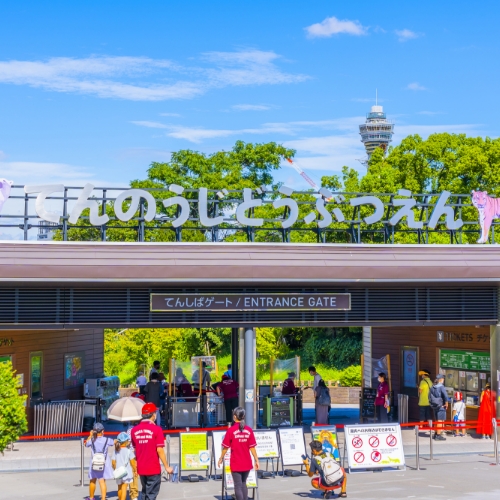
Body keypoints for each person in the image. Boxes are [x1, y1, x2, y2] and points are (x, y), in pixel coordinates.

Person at [131, 403, 174, 500]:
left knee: (145, 492)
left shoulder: (134, 430)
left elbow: (135, 449)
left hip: (141, 468)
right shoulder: (157, 429)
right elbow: (160, 450)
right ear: (153, 414)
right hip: (153, 468)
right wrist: (167, 467)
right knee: (151, 495)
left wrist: (136, 464)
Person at [218, 407, 259, 500]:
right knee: (244, 483)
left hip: (236, 462)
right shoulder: (249, 430)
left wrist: (220, 458)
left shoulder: (231, 430)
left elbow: (225, 447)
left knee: (237, 485)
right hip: (247, 462)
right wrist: (257, 460)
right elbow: (252, 447)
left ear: (235, 416)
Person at [84, 422, 115, 500]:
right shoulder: (107, 440)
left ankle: (91, 497)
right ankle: (103, 498)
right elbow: (114, 442)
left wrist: (90, 435)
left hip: (94, 463)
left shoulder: (92, 440)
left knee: (92, 480)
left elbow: (86, 444)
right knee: (102, 481)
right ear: (102, 431)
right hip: (103, 463)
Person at [112, 432, 137, 500]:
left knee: (119, 488)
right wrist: (135, 470)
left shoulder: (115, 451)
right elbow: (132, 463)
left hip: (118, 472)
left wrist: (115, 469)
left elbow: (113, 462)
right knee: (124, 488)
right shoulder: (129, 451)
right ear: (126, 441)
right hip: (126, 473)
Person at [429, 374, 449, 440]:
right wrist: (446, 403)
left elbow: (429, 396)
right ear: (441, 379)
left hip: (434, 406)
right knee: (440, 421)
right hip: (441, 406)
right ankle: (438, 435)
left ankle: (435, 434)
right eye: (443, 379)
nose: (443, 380)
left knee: (436, 420)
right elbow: (445, 396)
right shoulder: (441, 387)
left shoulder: (433, 387)